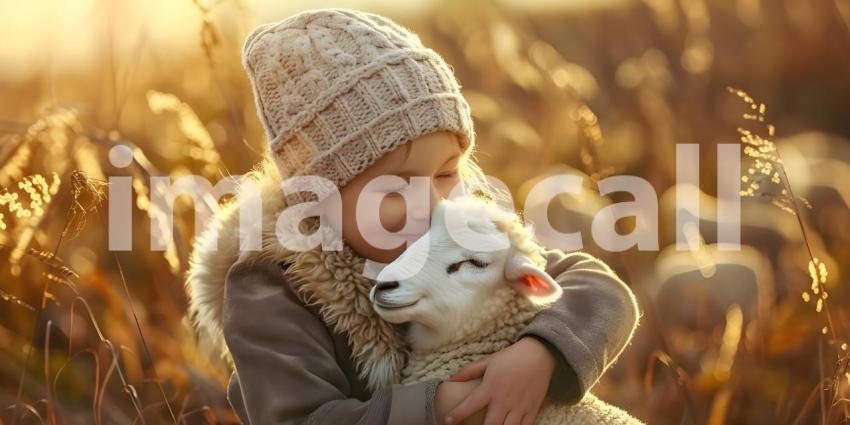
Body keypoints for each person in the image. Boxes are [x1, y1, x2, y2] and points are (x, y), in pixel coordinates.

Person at [185, 8, 639, 425]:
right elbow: (300, 417)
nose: (429, 203)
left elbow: (595, 287)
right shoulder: (274, 287)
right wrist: (440, 407)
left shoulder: (460, 233)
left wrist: (541, 353)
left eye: (445, 173)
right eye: (394, 187)